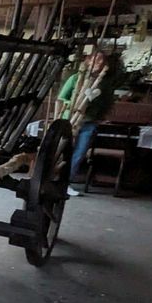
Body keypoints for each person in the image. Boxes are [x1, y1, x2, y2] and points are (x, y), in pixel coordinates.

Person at [56, 50, 124, 196]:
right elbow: (62, 98)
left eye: (101, 60)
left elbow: (107, 103)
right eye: (95, 59)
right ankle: (52, 179)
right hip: (71, 121)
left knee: (79, 153)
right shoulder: (75, 78)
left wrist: (99, 116)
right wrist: (75, 104)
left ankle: (65, 183)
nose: (98, 63)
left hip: (89, 123)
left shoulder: (104, 84)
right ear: (88, 61)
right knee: (63, 150)